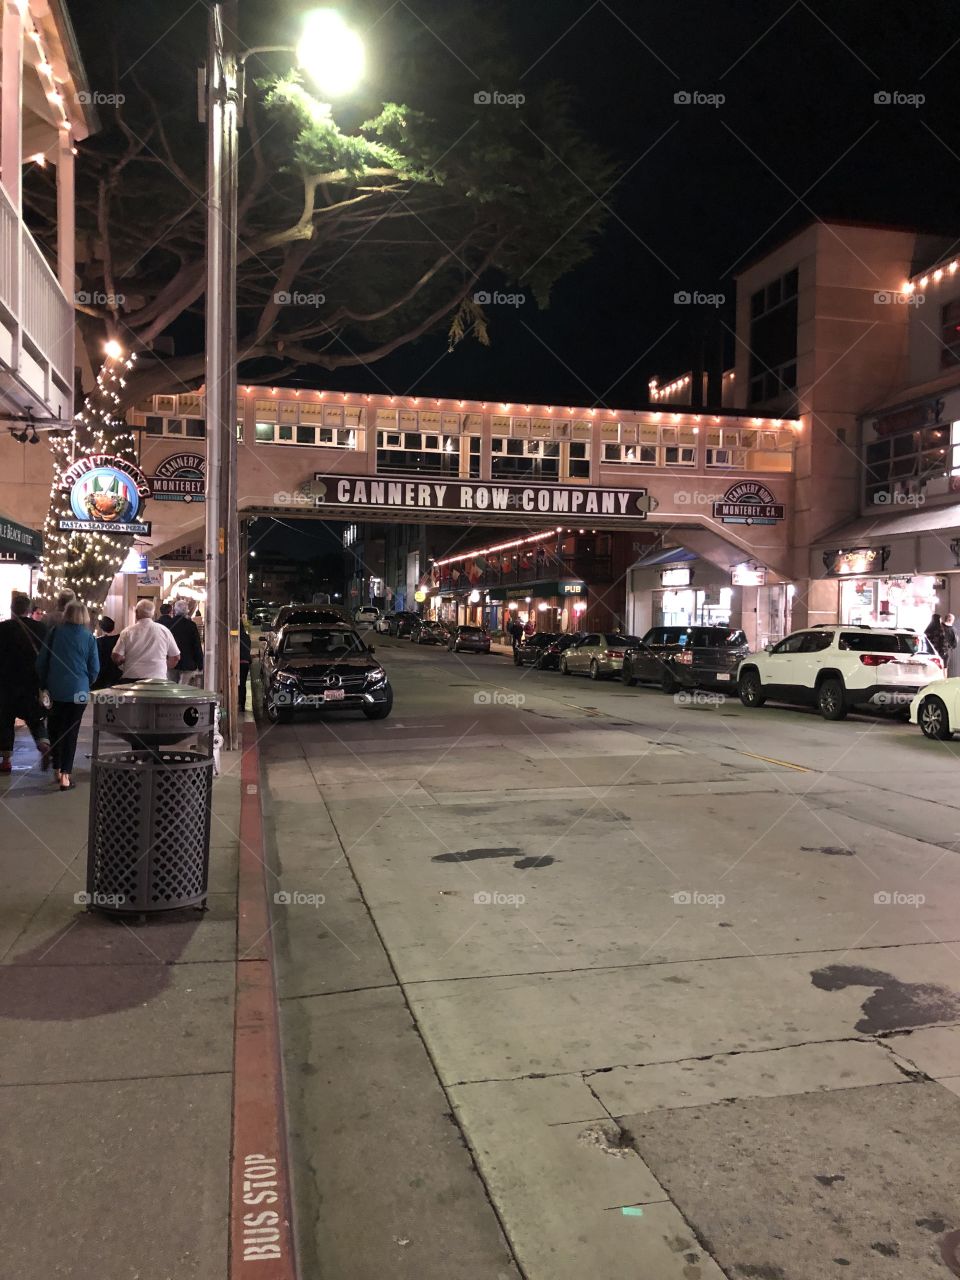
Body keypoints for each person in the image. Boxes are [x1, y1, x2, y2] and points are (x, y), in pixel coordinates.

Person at [36, 601, 98, 790]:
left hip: (56, 689)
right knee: (72, 732)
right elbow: (94, 668)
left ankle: (56, 767)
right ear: (85, 616)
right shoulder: (89, 638)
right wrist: (86, 682)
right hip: (79, 691)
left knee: (55, 728)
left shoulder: (55, 633)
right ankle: (65, 776)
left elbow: (41, 662)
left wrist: (43, 683)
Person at [0, 593, 51, 774]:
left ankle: (6, 760)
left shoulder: (3, 628)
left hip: (6, 682)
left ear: (12, 609)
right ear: (29, 610)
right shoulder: (42, 629)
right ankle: (44, 745)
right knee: (35, 717)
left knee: (5, 719)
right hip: (32, 681)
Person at [112, 599, 180, 681]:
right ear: (153, 614)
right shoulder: (164, 630)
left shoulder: (127, 632)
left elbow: (116, 657)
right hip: (158, 678)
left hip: (132, 677)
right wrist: (162, 667)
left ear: (136, 612)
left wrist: (124, 661)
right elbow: (176, 657)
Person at [169, 599, 204, 685]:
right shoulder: (191, 625)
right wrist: (200, 663)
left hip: (172, 661)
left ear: (174, 611)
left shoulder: (169, 624)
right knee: (184, 689)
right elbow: (196, 645)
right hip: (188, 663)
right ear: (187, 611)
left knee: (170, 688)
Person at [93, 616, 122, 688]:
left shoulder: (97, 641)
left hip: (101, 674)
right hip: (115, 674)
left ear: (101, 627)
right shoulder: (119, 638)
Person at [239, 619, 250, 710]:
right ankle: (242, 704)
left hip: (238, 662)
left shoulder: (236, 637)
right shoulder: (247, 637)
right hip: (246, 663)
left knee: (239, 684)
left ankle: (239, 702)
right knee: (243, 684)